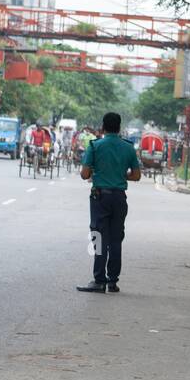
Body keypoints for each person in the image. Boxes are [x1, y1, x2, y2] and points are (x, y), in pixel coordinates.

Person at [77, 112, 141, 293]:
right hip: (119, 198)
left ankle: (99, 280)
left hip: (100, 197)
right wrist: (122, 175)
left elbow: (84, 174)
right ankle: (112, 281)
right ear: (119, 128)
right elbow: (136, 175)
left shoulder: (95, 146)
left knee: (98, 237)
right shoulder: (128, 148)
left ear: (103, 127)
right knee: (115, 239)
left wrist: (98, 173)